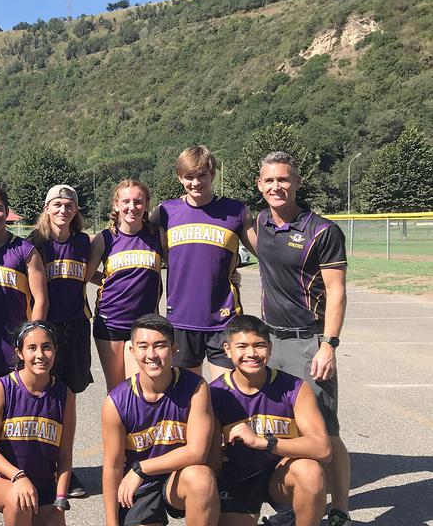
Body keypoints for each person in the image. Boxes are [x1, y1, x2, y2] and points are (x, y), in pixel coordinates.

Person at [250, 151, 351, 526]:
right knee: (284, 427)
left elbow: (337, 292)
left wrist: (330, 344)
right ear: (260, 185)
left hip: (310, 341)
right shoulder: (260, 222)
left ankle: (339, 509)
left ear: (297, 182)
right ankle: (301, 507)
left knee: (325, 430)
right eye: (270, 180)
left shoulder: (323, 231)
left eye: (284, 179)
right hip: (270, 344)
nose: (277, 186)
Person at [209, 315, 331, 526]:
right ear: (228, 350)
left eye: (259, 346)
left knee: (310, 471)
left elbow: (323, 448)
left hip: (281, 475)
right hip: (238, 478)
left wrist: (263, 442)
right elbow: (210, 459)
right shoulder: (215, 394)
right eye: (242, 346)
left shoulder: (295, 388)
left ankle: (293, 517)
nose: (251, 354)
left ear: (270, 348)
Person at [0, 183, 48, 508]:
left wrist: (32, 344)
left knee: (19, 413)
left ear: (7, 211)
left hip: (17, 351)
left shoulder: (25, 250)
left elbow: (41, 299)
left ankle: (23, 473)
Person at [101, 313, 218, 526]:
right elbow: (113, 467)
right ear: (132, 351)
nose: (152, 354)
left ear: (174, 349)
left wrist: (142, 468)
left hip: (177, 478)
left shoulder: (195, 388)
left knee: (201, 478)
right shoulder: (116, 401)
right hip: (138, 486)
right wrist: (111, 523)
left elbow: (197, 452)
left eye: (160, 345)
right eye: (143, 346)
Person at [149, 145, 253, 378]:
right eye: (189, 177)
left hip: (224, 318)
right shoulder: (165, 212)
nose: (195, 183)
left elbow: (266, 253)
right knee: (187, 398)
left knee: (226, 395)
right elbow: (134, 236)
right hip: (182, 319)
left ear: (212, 174)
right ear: (179, 177)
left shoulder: (236, 211)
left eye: (201, 175)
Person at [26, 184, 91, 499]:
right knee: (43, 397)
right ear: (46, 208)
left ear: (76, 210)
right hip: (46, 331)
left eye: (69, 205)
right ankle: (40, 467)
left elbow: (98, 274)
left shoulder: (83, 243)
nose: (63, 210)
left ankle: (66, 467)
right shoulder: (35, 243)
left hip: (76, 329)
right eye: (57, 204)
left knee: (67, 400)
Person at [0, 321, 77, 526]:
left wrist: (60, 502)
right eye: (32, 348)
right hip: (4, 481)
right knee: (18, 500)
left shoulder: (65, 395)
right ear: (20, 353)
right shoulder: (2, 388)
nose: (40, 355)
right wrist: (18, 476)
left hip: (44, 488)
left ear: (55, 351)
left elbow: (65, 455)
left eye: (47, 347)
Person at [87, 179, 164, 391]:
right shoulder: (104, 239)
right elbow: (85, 275)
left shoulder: (156, 237)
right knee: (117, 390)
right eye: (126, 201)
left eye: (138, 202)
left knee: (140, 387)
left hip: (145, 323)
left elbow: (184, 262)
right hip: (110, 323)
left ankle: (139, 426)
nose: (132, 207)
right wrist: (105, 280)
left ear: (147, 204)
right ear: (116, 205)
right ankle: (114, 425)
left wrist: (230, 274)